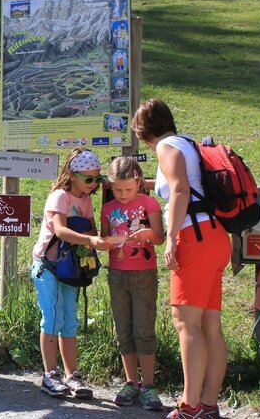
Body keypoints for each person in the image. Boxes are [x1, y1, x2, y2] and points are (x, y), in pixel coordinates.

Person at [131, 99, 230, 419]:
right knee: (209, 326)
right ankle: (208, 406)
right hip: (216, 237)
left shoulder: (165, 147)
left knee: (186, 324)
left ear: (144, 132)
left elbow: (180, 191)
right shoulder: (188, 142)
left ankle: (189, 406)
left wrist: (171, 238)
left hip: (195, 239)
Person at [31, 148, 113, 399]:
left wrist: (98, 240)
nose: (93, 184)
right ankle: (50, 374)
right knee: (52, 318)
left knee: (70, 320)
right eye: (88, 179)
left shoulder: (86, 200)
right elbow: (61, 230)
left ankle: (72, 375)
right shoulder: (59, 196)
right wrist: (91, 239)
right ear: (72, 175)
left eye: (97, 179)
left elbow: (91, 228)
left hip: (72, 268)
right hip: (49, 267)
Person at [100, 157, 164, 411]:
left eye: (128, 189)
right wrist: (107, 240)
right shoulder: (108, 208)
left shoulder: (149, 203)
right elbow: (103, 236)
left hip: (144, 274)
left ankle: (148, 385)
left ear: (138, 181)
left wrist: (148, 234)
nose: (123, 195)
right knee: (123, 329)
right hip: (117, 273)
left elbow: (159, 237)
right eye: (117, 190)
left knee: (144, 329)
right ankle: (131, 382)